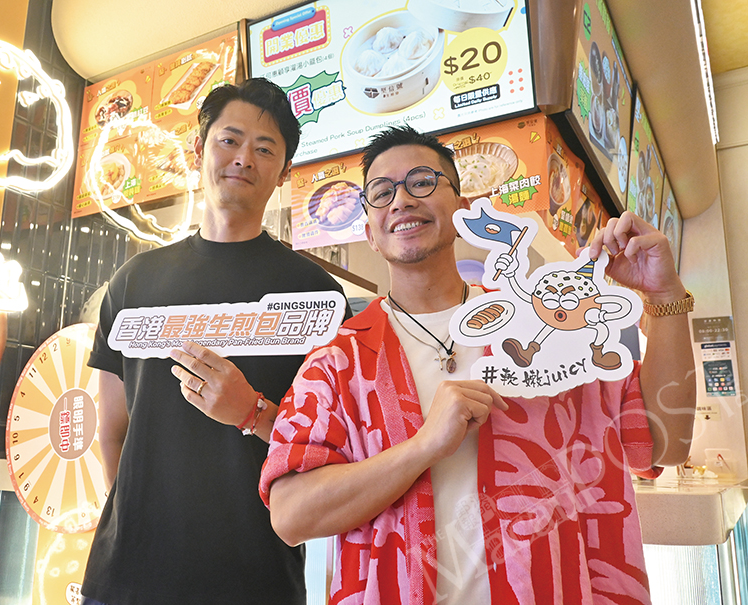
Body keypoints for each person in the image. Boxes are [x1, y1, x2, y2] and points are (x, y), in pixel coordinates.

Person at [260, 125, 696, 604]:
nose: (401, 200)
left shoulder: (541, 323)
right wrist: (423, 446)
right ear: (371, 232)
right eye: (382, 193)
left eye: (422, 182)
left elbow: (666, 441)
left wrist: (664, 296)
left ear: (462, 210)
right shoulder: (337, 362)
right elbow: (290, 515)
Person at [82, 78, 348, 604]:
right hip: (124, 579)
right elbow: (112, 430)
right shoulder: (133, 282)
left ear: (283, 172)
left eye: (265, 149)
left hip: (255, 580)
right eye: (230, 140)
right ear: (199, 148)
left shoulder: (317, 295)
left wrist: (252, 411)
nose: (244, 158)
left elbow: (332, 449)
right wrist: (136, 526)